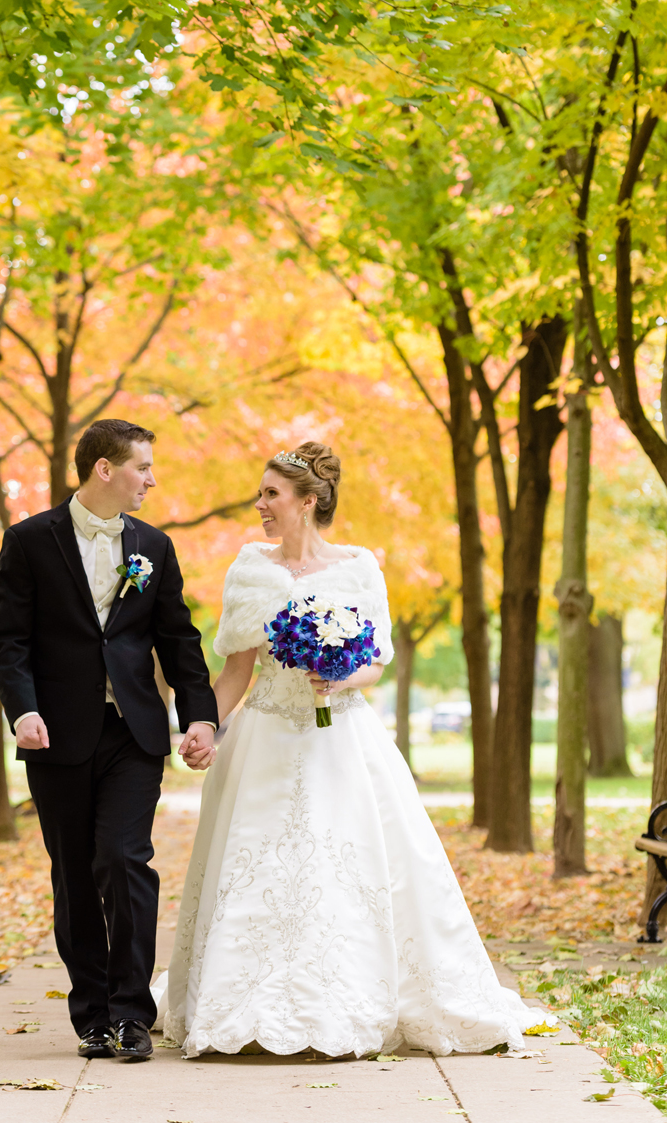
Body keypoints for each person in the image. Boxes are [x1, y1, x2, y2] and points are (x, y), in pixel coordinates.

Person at [155, 441, 546, 1057]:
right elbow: (234, 670)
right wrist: (201, 725)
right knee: (259, 872)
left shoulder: (360, 567)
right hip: (265, 737)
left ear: (308, 502)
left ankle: (342, 1001)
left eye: (271, 495)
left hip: (343, 742)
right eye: (260, 494)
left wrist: (337, 676)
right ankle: (247, 1003)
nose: (260, 505)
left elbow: (376, 665)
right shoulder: (249, 568)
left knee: (344, 868)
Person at [0, 419, 220, 1063]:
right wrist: (22, 711)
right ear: (104, 470)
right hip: (54, 736)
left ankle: (131, 1015)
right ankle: (91, 1015)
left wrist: (199, 718)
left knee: (124, 859)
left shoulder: (154, 546)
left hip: (133, 733)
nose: (152, 478)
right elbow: (8, 642)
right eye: (143, 466)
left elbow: (179, 640)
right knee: (74, 876)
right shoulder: (29, 541)